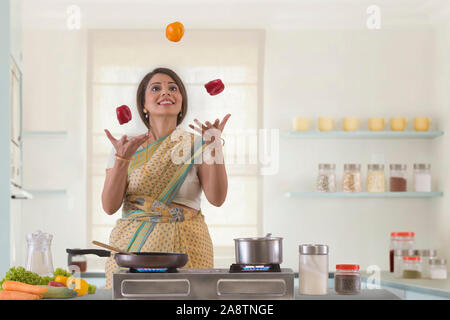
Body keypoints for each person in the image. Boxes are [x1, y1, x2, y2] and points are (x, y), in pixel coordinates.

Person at [101, 67, 231, 288]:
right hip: (134, 249)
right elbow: (109, 206)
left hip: (189, 248)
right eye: (156, 88)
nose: (166, 92)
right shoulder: (125, 148)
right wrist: (122, 160)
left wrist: (215, 147)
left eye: (173, 88)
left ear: (181, 103)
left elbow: (217, 198)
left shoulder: (198, 145)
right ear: (143, 104)